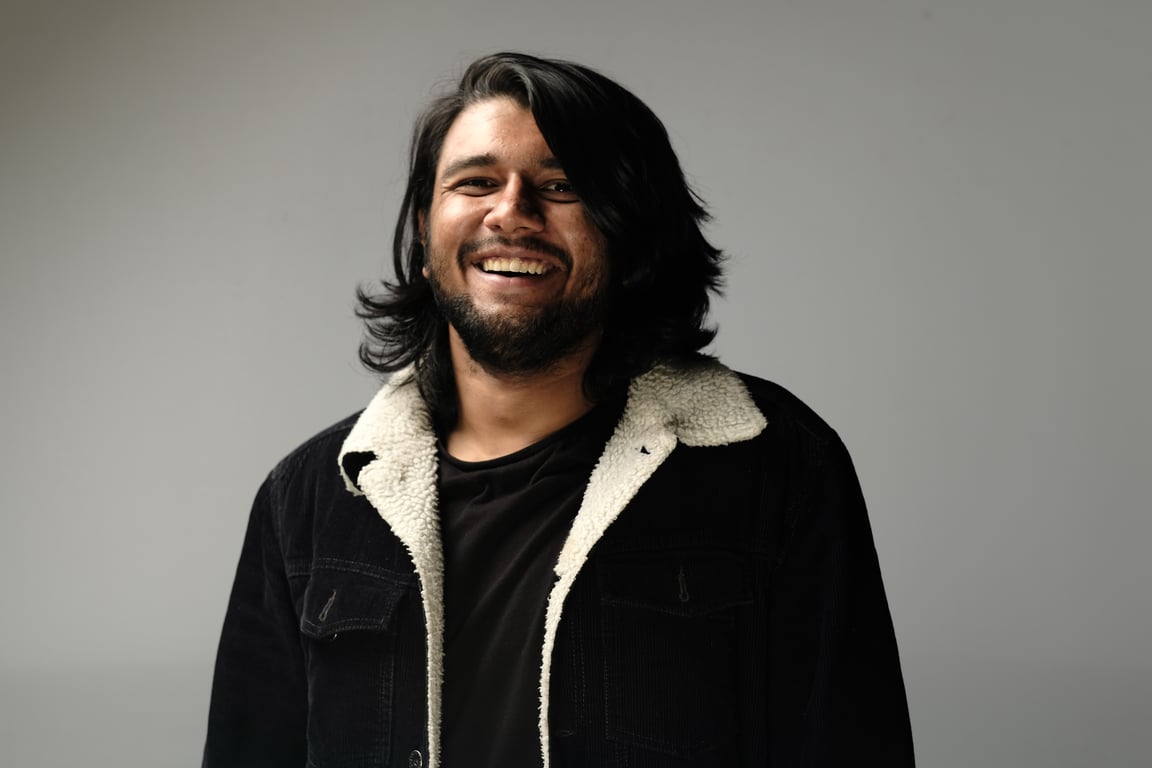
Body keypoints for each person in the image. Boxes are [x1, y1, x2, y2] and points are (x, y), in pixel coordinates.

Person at [203, 52, 915, 768]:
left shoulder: (776, 465)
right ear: (424, 230)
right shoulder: (307, 500)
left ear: (630, 237)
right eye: (476, 182)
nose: (511, 212)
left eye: (561, 186)